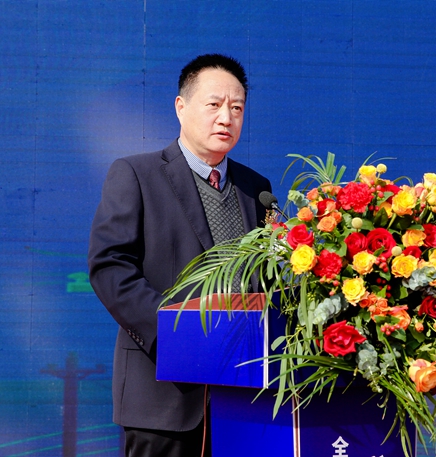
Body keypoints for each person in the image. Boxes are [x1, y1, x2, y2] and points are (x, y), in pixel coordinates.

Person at [88, 54, 272, 456]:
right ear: (181, 107)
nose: (226, 118)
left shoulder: (257, 189)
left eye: (237, 108)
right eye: (214, 104)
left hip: (242, 397)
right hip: (163, 395)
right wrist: (176, 334)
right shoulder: (136, 174)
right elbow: (110, 267)